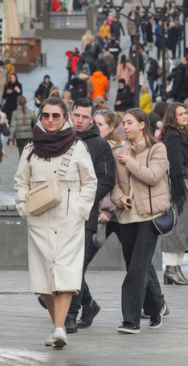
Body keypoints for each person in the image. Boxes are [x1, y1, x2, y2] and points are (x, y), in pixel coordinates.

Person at [14, 97, 97, 348]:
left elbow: (90, 181)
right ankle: (57, 327)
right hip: (39, 219)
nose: (51, 120)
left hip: (69, 219)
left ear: (65, 118)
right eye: (46, 115)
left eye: (56, 115)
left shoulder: (78, 146)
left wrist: (80, 210)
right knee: (44, 280)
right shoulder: (30, 148)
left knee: (64, 274)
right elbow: (20, 182)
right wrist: (24, 208)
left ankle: (59, 328)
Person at [59, 99, 116, 333]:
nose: (80, 120)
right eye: (77, 115)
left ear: (92, 119)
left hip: (84, 215)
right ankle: (88, 303)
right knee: (63, 265)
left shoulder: (100, 145)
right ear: (70, 114)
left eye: (85, 117)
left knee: (74, 267)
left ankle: (70, 315)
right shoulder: (60, 139)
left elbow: (106, 181)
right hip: (59, 214)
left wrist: (82, 200)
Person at [110, 109, 168, 333]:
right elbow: (115, 186)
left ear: (142, 124)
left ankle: (131, 321)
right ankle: (156, 308)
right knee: (139, 268)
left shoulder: (158, 148)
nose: (125, 126)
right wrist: (120, 198)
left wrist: (131, 162)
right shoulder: (120, 152)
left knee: (135, 270)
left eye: (130, 122)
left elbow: (153, 177)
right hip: (126, 218)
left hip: (149, 217)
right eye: (123, 123)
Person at [160, 104, 188, 285]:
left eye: (186, 113)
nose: (185, 116)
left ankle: (176, 269)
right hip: (178, 192)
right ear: (172, 118)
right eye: (181, 114)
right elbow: (174, 166)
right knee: (176, 231)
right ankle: (171, 270)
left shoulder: (182, 137)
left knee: (183, 230)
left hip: (187, 191)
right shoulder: (172, 137)